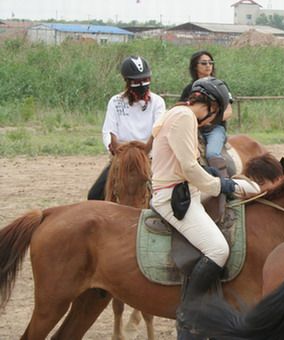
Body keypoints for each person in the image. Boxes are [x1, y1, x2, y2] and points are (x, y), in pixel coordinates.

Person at [150, 76, 259, 339]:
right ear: (209, 104)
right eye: (217, 113)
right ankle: (189, 312)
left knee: (246, 192)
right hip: (172, 196)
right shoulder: (185, 117)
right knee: (218, 249)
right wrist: (222, 186)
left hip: (188, 188)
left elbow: (187, 163)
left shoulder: (176, 113)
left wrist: (221, 181)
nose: (214, 120)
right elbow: (188, 168)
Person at [87, 56, 166, 200]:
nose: (142, 84)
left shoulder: (157, 102)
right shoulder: (116, 102)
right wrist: (114, 147)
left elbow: (158, 129)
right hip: (122, 157)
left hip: (147, 158)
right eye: (137, 81)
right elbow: (108, 130)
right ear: (127, 81)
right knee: (94, 195)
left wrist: (148, 149)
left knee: (165, 197)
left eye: (145, 79)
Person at [179, 50, 234, 215]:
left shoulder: (219, 85)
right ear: (195, 67)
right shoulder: (190, 88)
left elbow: (229, 110)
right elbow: (183, 108)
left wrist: (212, 118)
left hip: (214, 129)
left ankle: (225, 189)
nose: (208, 66)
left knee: (211, 153)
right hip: (194, 128)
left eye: (210, 63)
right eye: (204, 63)